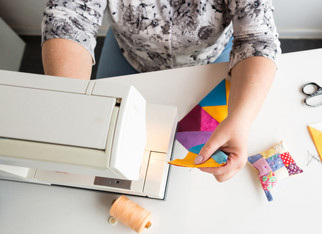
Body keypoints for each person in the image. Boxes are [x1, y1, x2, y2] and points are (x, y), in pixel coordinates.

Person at [41, 0, 281, 182]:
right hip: (130, 55)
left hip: (211, 58)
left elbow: (259, 39)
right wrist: (70, 107)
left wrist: (241, 118)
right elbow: (68, 17)